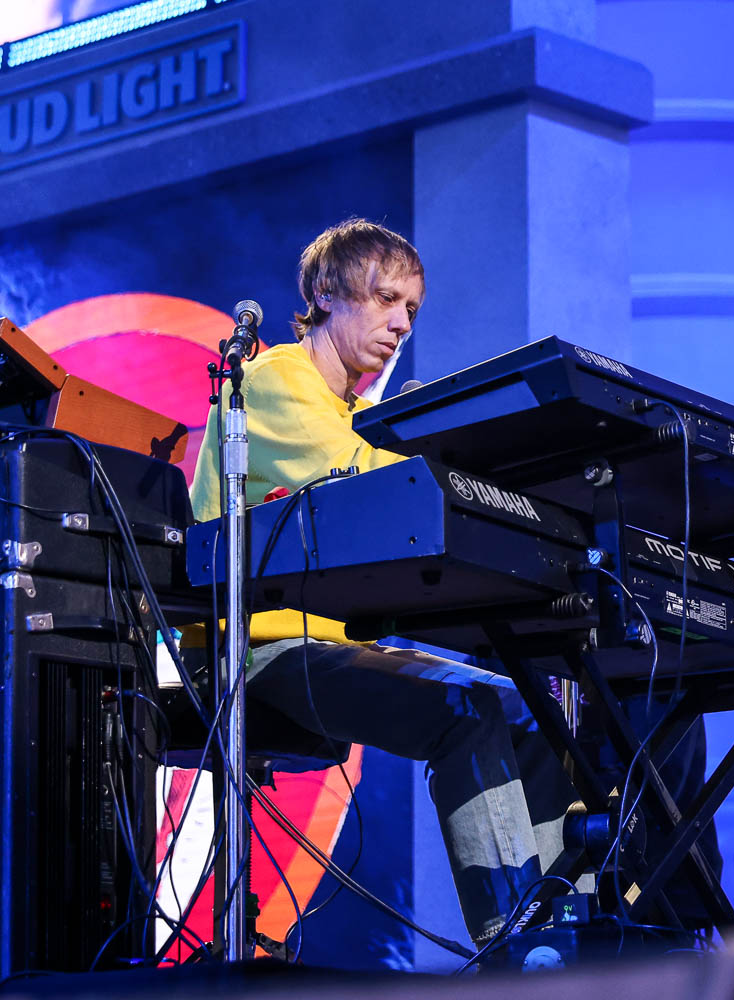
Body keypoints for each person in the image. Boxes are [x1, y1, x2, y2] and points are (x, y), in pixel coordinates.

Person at [189, 218, 573, 946]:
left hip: (328, 645)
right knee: (465, 709)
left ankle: (571, 934)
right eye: (386, 299)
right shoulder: (274, 380)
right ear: (327, 294)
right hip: (259, 652)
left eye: (412, 310)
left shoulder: (360, 413)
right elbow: (377, 490)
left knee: (529, 710)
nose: (401, 323)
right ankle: (518, 943)